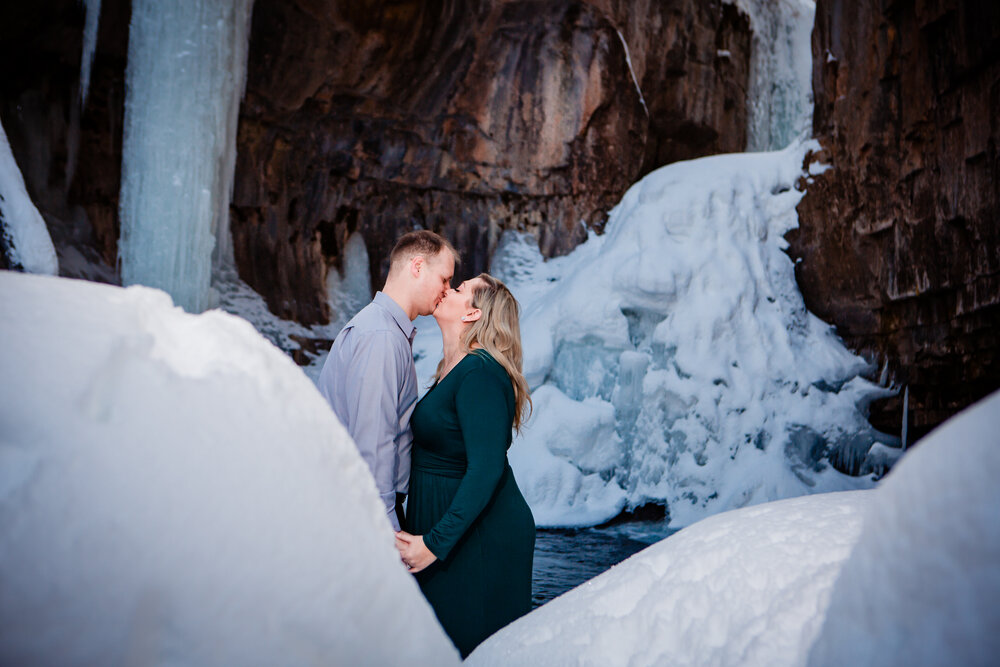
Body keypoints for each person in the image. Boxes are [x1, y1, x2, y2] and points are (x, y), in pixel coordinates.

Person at [395, 273, 535, 658]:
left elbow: (486, 468)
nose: (446, 289)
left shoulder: (480, 372)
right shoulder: (453, 370)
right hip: (453, 537)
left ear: (473, 312)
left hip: (479, 540)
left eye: (457, 289)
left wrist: (434, 545)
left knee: (471, 652)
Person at [318, 230, 457, 531]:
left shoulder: (384, 330)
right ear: (417, 267)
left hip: (361, 504)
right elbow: (374, 440)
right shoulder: (381, 337)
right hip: (367, 509)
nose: (447, 290)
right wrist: (385, 529)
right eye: (444, 279)